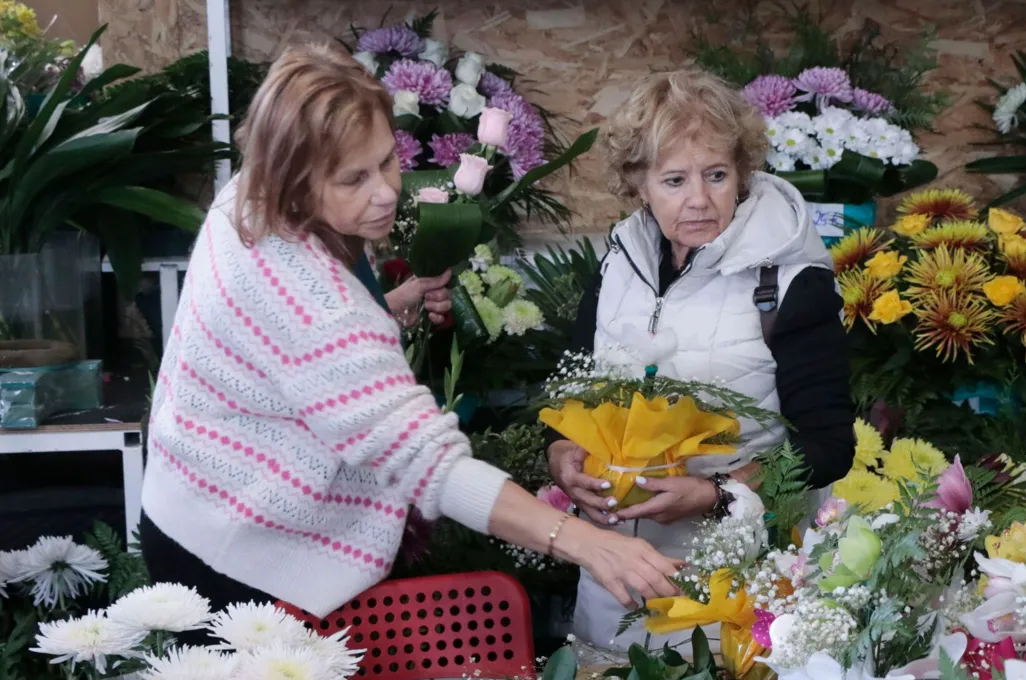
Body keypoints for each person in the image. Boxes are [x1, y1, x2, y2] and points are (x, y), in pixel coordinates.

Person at [139, 44, 680, 626]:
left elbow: (284, 352)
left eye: (386, 161)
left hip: (193, 495)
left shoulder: (251, 194)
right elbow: (430, 464)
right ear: (295, 181)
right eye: (353, 178)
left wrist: (382, 306)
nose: (386, 191)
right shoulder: (312, 303)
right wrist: (586, 542)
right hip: (239, 556)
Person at [547, 69, 855, 653]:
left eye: (716, 175)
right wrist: (562, 455)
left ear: (741, 173)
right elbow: (571, 395)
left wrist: (718, 494)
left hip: (736, 593)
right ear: (638, 184)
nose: (698, 199)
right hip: (611, 579)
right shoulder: (618, 266)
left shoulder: (788, 282)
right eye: (674, 179)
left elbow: (830, 443)